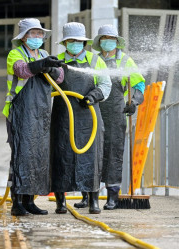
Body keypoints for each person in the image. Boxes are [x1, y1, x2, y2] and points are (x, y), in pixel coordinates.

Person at [74, 24, 145, 210]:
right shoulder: (93, 60)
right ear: (99, 42)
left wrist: (134, 102)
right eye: (104, 39)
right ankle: (86, 194)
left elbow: (139, 84)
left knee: (113, 152)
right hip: (94, 109)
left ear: (116, 41)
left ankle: (113, 196)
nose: (108, 42)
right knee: (90, 150)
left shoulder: (125, 62)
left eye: (111, 39)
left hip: (115, 111)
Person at [2, 18, 64, 216]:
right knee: (21, 156)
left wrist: (52, 67)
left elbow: (60, 77)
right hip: (20, 112)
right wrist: (41, 65)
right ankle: (16, 202)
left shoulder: (45, 54)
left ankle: (30, 201)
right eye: (33, 33)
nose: (37, 37)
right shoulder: (15, 54)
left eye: (39, 33)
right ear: (24, 37)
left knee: (38, 157)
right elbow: (21, 70)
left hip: (41, 114)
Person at [50, 22, 111, 214]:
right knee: (61, 156)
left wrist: (93, 96)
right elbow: (48, 87)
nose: (74, 44)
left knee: (91, 158)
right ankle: (60, 202)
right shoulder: (56, 61)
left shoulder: (95, 61)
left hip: (89, 116)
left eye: (78, 41)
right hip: (63, 117)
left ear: (84, 42)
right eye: (70, 41)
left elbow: (105, 84)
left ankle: (93, 201)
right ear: (65, 42)